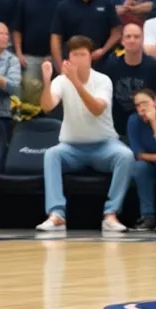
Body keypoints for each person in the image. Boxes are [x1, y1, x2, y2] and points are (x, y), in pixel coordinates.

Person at [35, 36, 133, 233]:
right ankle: (56, 215)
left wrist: (76, 83)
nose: (79, 59)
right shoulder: (61, 81)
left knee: (126, 156)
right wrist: (46, 81)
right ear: (68, 59)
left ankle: (111, 214)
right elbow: (47, 106)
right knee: (52, 154)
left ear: (90, 58)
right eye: (74, 55)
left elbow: (96, 109)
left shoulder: (102, 80)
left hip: (104, 145)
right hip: (71, 147)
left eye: (83, 54)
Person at [102, 22, 156, 136]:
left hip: (146, 125)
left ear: (142, 40)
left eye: (136, 37)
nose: (132, 40)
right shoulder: (111, 66)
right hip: (117, 127)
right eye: (128, 36)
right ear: (122, 41)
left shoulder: (155, 67)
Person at [127, 88, 156, 231]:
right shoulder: (134, 120)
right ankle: (147, 216)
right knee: (139, 167)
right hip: (152, 162)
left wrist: (153, 122)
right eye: (137, 105)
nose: (141, 108)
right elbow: (139, 154)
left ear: (155, 102)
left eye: (144, 103)